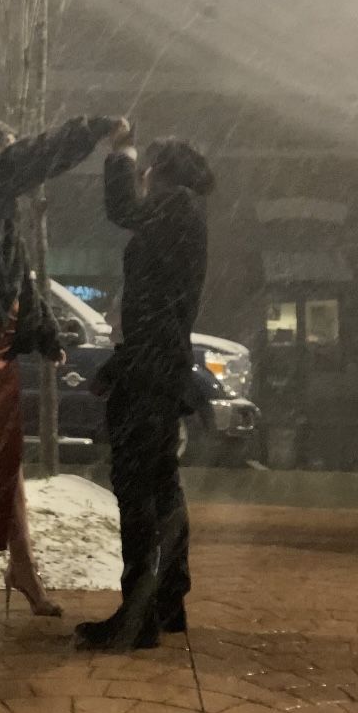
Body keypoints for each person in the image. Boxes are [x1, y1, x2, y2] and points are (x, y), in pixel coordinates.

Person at [0, 114, 123, 623]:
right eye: (10, 150)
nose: (20, 165)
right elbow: (29, 158)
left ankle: (23, 568)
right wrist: (92, 128)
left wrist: (45, 335)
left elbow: (19, 277)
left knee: (5, 456)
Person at [76, 125, 215, 649]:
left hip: (153, 369)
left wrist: (119, 153)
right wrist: (119, 366)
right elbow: (155, 310)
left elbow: (121, 210)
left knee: (137, 489)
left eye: (145, 169)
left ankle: (138, 615)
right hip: (157, 363)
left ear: (159, 173)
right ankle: (166, 601)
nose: (142, 177)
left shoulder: (174, 208)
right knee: (159, 485)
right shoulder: (183, 216)